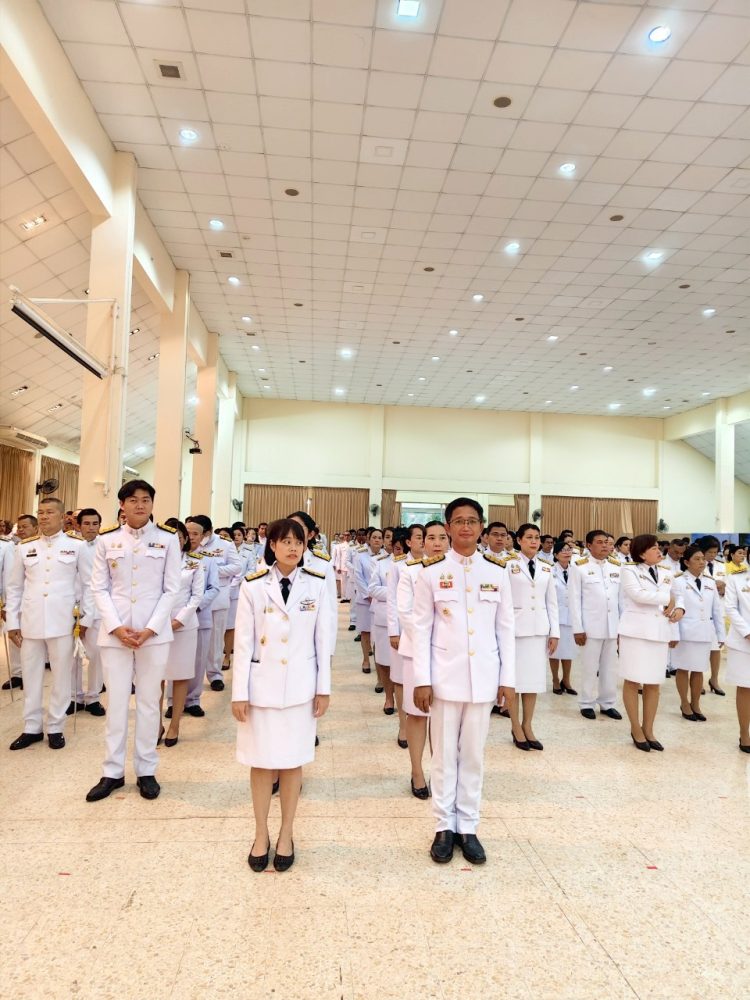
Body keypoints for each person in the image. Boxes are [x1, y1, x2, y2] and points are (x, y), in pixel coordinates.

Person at [412, 498, 515, 865]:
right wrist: (421, 680)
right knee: (443, 757)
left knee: (473, 755)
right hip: (443, 677)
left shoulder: (498, 571)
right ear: (448, 527)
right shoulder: (431, 572)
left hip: (484, 678)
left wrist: (508, 679)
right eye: (459, 521)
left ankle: (468, 826)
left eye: (472, 521)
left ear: (481, 527)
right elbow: (420, 629)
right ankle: (444, 826)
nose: (466, 527)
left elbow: (506, 628)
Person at [232, 518, 332, 873]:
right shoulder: (253, 585)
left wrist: (323, 688)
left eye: (298, 542)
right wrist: (239, 692)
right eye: (285, 541)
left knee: (292, 762)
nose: (292, 547)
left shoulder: (317, 583)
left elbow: (323, 640)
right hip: (261, 687)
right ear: (271, 545)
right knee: (261, 763)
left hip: (301, 687)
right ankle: (261, 833)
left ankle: (286, 833)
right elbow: (243, 643)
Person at [86, 480, 181, 802]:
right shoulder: (106, 540)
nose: (140, 505)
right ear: (122, 505)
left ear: (152, 503)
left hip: (153, 635)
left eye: (145, 500)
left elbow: (172, 589)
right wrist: (116, 627)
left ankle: (146, 770)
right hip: (116, 635)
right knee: (116, 703)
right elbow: (99, 588)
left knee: (149, 702)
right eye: (133, 500)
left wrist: (151, 628)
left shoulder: (167, 539)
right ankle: (112, 772)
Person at [6, 497, 93, 751]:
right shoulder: (25, 547)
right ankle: (32, 727)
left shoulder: (77, 546)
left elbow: (89, 585)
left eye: (50, 512)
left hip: (63, 621)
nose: (44, 517)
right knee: (31, 676)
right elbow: (14, 587)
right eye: (41, 512)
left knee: (62, 676)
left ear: (62, 517)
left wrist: (86, 618)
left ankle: (55, 726)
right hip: (31, 621)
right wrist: (12, 622)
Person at [618, 534, 684, 753]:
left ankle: (649, 729)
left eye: (658, 547)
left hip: (659, 631)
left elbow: (678, 594)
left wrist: (679, 608)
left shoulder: (666, 571)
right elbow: (638, 595)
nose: (658, 550)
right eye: (653, 548)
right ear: (641, 552)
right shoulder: (629, 570)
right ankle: (635, 728)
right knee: (632, 680)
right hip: (636, 633)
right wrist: (668, 600)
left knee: (654, 682)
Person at [397, 520, 447, 798]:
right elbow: (405, 613)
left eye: (442, 538)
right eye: (431, 538)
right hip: (416, 651)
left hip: (448, 655)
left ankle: (439, 770)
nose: (437, 543)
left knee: (442, 716)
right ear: (422, 542)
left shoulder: (455, 570)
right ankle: (417, 771)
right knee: (417, 714)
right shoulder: (410, 571)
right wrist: (428, 641)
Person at [504, 523, 559, 751]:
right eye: (529, 537)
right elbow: (503, 601)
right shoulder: (508, 565)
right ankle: (515, 726)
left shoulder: (546, 567)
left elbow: (552, 603)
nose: (534, 541)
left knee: (532, 682)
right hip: (515, 631)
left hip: (539, 631)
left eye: (537, 537)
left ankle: (528, 725)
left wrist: (554, 632)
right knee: (514, 682)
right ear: (519, 540)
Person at [568, 529, 623, 723]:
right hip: (590, 627)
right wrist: (578, 628)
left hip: (612, 626)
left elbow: (621, 600)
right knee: (589, 667)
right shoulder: (579, 567)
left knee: (610, 668)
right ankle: (586, 703)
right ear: (589, 545)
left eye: (607, 542)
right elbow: (574, 600)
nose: (604, 545)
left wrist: (622, 628)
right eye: (599, 542)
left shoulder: (616, 566)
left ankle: (607, 703)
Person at [160, 518, 205, 747]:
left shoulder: (195, 563)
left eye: (178, 537)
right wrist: (159, 621)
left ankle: (175, 724)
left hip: (184, 627)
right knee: (155, 677)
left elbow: (196, 596)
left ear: (185, 539)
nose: (174, 541)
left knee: (179, 677)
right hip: (156, 626)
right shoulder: (155, 560)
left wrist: (179, 621)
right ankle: (155, 724)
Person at [187, 515, 241, 694]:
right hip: (191, 599)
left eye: (200, 533)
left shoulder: (225, 544)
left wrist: (212, 571)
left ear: (209, 532)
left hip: (217, 598)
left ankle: (215, 675)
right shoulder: (187, 542)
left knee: (216, 641)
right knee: (191, 642)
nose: (195, 536)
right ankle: (189, 678)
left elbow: (237, 567)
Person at [672, 545, 723, 722]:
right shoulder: (678, 581)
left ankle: (695, 703)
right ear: (686, 562)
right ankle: (684, 703)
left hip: (704, 632)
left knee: (699, 669)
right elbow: (675, 609)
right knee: (683, 668)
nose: (702, 562)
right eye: (697, 559)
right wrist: (674, 635)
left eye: (703, 559)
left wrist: (720, 635)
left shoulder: (710, 582)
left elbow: (716, 610)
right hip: (685, 632)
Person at [180, 518, 220, 718]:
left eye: (196, 533)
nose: (191, 537)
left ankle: (193, 700)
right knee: (176, 662)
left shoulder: (208, 560)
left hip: (200, 617)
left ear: (204, 536)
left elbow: (214, 588)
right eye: (188, 533)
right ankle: (173, 702)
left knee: (198, 661)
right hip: (177, 619)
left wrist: (196, 605)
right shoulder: (175, 557)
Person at [387, 526, 421, 750]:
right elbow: (392, 600)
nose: (423, 541)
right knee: (400, 679)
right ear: (408, 542)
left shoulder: (435, 564)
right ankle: (403, 725)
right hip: (402, 631)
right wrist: (393, 631)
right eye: (419, 537)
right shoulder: (398, 565)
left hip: (427, 633)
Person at [72, 507, 106, 716]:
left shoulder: (104, 547)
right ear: (78, 525)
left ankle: (93, 697)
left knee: (96, 656)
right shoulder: (72, 546)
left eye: (95, 524)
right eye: (86, 523)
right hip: (72, 608)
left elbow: (97, 586)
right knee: (71, 657)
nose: (91, 528)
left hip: (96, 612)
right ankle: (73, 697)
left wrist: (87, 618)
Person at [1, 513, 38, 690]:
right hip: (15, 600)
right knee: (14, 637)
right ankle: (17, 674)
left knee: (31, 641)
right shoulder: (13, 547)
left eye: (25, 527)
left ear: (35, 528)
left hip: (33, 602)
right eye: (19, 527)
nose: (21, 530)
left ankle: (29, 675)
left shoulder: (42, 547)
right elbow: (8, 579)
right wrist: (6, 604)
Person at [724, 570, 750, 753]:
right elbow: (731, 608)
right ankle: (744, 733)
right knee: (746, 687)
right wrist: (747, 632)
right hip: (743, 641)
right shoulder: (736, 579)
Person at [224, 525, 256, 669]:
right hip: (222, 589)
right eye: (234, 535)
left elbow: (251, 570)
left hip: (238, 591)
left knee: (231, 625)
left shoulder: (248, 551)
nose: (236, 537)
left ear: (243, 536)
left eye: (239, 535)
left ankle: (227, 657)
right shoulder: (225, 549)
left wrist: (239, 580)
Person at [698, 536, 727, 696]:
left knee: (716, 649)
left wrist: (723, 589)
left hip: (717, 612)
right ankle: (698, 681)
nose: (712, 555)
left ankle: (714, 679)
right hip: (701, 613)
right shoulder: (695, 565)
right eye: (709, 552)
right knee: (701, 649)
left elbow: (730, 588)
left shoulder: (722, 566)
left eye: (715, 552)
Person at [368, 538, 395, 712]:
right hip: (384, 618)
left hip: (409, 620)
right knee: (385, 660)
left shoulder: (417, 564)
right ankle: (389, 698)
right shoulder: (381, 563)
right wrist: (398, 592)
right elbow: (373, 589)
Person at [549, 539, 577, 696]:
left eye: (568, 550)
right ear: (555, 555)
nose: (567, 553)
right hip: (555, 617)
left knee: (569, 652)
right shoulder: (549, 571)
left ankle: (566, 680)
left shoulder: (576, 570)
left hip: (571, 618)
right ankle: (555, 679)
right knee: (554, 651)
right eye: (563, 550)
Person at [354, 527, 382, 673]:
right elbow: (358, 577)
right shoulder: (360, 555)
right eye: (374, 537)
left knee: (378, 632)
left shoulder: (386, 557)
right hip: (365, 599)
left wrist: (377, 595)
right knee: (365, 631)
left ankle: (379, 663)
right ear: (369, 540)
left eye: (380, 538)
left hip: (380, 600)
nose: (377, 540)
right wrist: (368, 595)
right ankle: (366, 659)